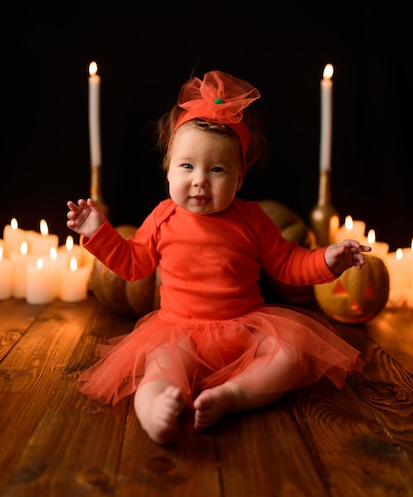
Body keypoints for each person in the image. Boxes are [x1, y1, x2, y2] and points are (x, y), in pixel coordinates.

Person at [67, 70, 369, 446]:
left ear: (240, 178)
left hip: (246, 327)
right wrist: (99, 232)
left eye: (217, 170)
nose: (200, 181)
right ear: (168, 169)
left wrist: (328, 259)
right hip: (179, 329)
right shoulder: (163, 216)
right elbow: (133, 264)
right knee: (160, 372)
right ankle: (154, 413)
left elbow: (289, 264)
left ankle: (234, 395)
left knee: (290, 356)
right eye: (187, 166)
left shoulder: (252, 218)